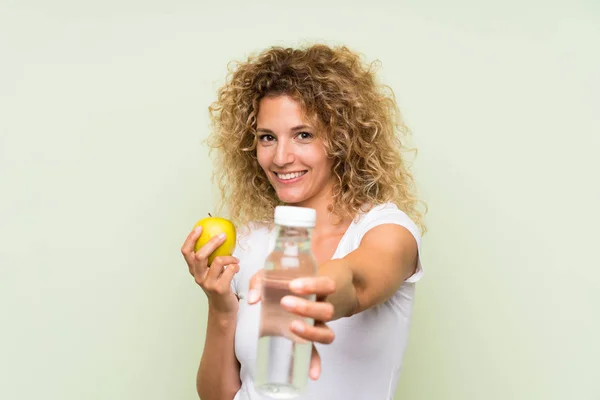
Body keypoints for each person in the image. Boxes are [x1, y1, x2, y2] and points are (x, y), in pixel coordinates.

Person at [181, 43, 427, 400]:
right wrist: (220, 306)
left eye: (303, 135)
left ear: (341, 138)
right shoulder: (252, 242)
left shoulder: (387, 230)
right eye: (268, 137)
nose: (281, 157)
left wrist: (309, 290)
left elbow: (355, 281)